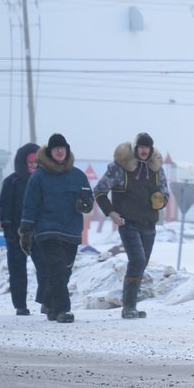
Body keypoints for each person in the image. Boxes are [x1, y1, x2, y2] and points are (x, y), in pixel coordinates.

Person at [93, 132, 169, 319]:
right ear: (135, 149)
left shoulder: (156, 170)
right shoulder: (120, 167)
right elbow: (100, 191)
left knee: (142, 264)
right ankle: (128, 306)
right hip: (127, 222)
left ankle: (131, 305)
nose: (144, 151)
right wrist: (111, 212)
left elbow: (165, 193)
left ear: (151, 149)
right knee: (137, 260)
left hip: (149, 223)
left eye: (147, 147)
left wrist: (161, 201)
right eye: (141, 147)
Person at [20, 132, 93, 324]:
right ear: (49, 152)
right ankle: (63, 310)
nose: (60, 152)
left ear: (67, 151)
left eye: (62, 149)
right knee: (58, 268)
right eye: (56, 149)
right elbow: (30, 204)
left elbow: (88, 200)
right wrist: (26, 230)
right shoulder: (39, 177)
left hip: (71, 230)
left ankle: (48, 303)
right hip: (47, 231)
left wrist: (86, 204)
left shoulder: (78, 176)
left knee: (64, 271)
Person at [0, 142, 41, 315]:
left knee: (45, 268)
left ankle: (45, 301)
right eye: (29, 163)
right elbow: (4, 205)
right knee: (17, 270)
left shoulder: (44, 181)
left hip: (40, 231)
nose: (33, 166)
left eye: (36, 163)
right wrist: (7, 226)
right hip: (16, 232)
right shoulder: (12, 181)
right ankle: (20, 304)